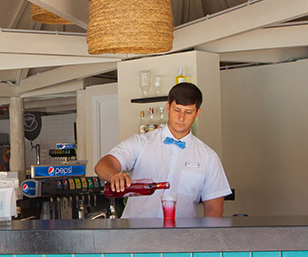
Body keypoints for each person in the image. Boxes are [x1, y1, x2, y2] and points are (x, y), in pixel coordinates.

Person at [94, 82, 231, 219]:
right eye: (177, 110)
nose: (181, 118)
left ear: (197, 113)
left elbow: (214, 208)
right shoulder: (141, 142)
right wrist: (113, 175)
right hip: (135, 236)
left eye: (188, 112)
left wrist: (202, 238)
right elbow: (102, 165)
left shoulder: (208, 157)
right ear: (168, 107)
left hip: (181, 237)